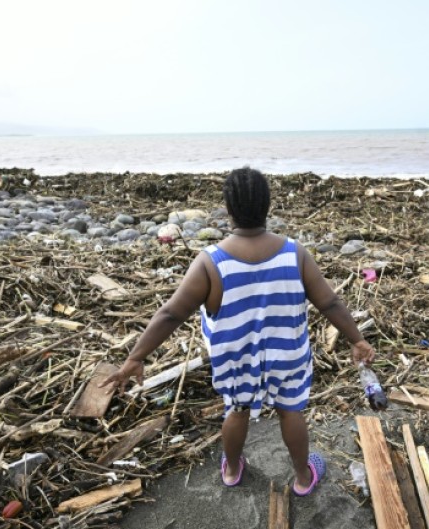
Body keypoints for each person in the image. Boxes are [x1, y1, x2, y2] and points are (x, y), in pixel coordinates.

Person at [101, 166, 375, 496]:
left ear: (228, 209)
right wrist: (356, 339)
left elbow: (172, 312)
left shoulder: (210, 262)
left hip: (237, 360)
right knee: (291, 411)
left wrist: (136, 357)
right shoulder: (294, 253)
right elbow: (329, 302)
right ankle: (303, 477)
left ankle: (232, 469)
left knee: (237, 410)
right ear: (267, 206)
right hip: (287, 355)